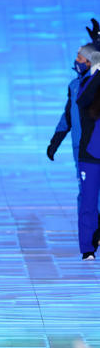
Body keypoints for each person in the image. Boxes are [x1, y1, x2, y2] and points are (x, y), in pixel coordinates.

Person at [74, 51, 100, 260]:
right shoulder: (87, 83)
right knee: (88, 202)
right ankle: (88, 248)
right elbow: (82, 101)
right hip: (90, 155)